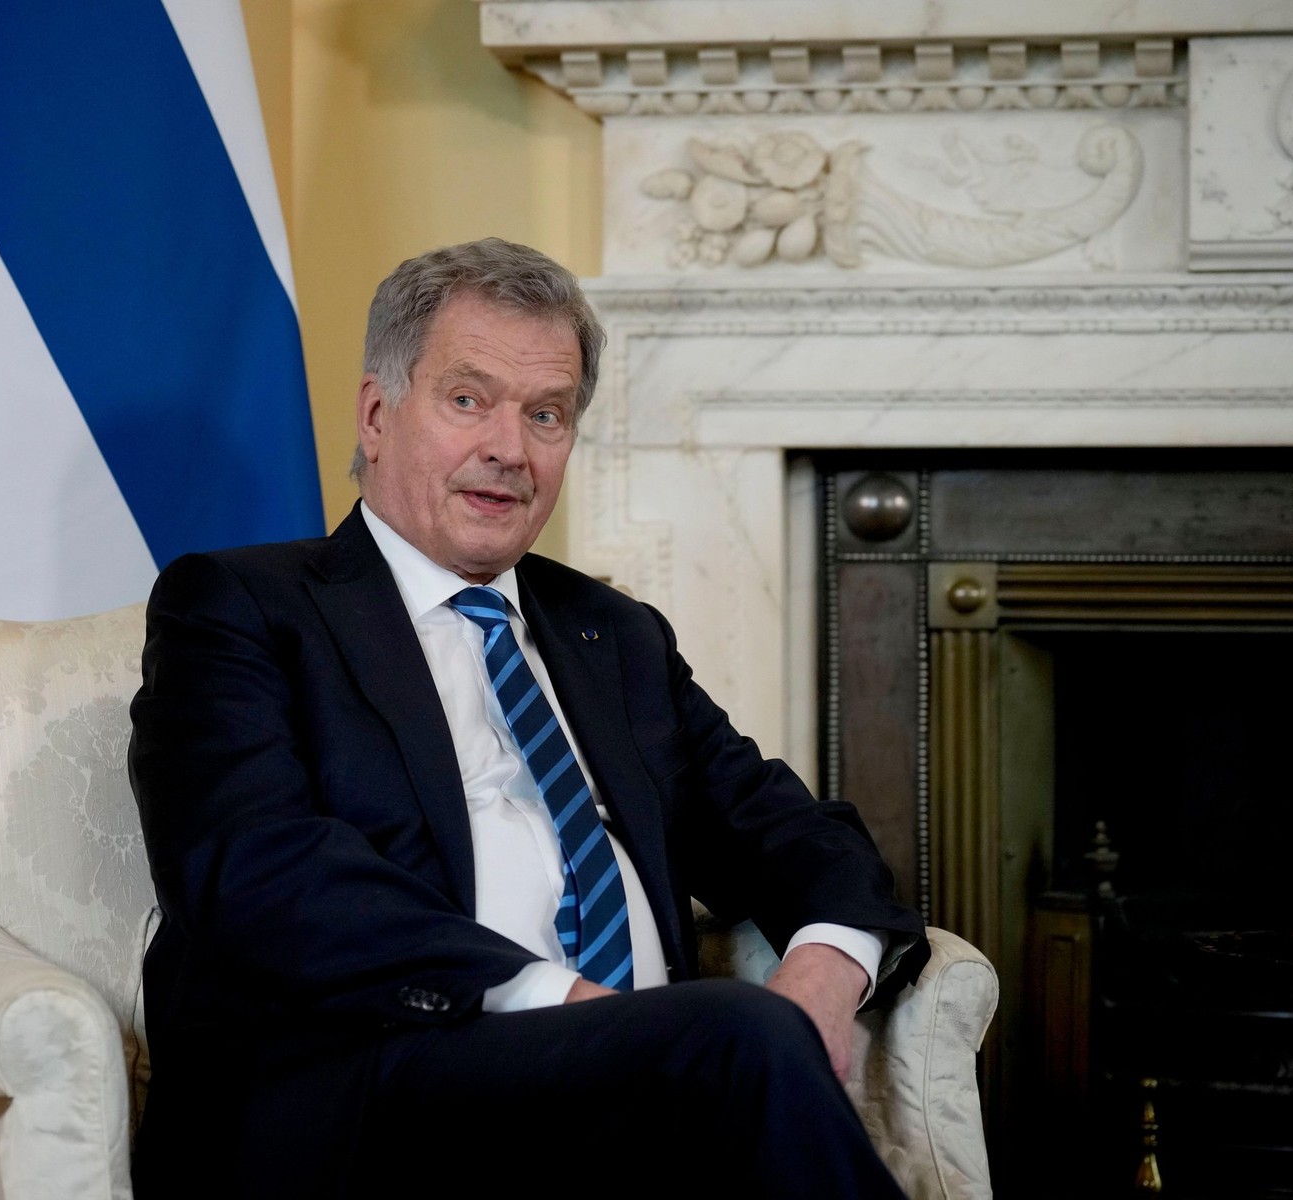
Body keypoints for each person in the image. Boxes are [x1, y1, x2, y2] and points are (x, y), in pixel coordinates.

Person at [129, 238, 928, 1197]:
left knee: (746, 1040)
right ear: (378, 415)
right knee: (736, 1041)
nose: (509, 449)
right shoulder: (240, 606)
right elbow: (254, 871)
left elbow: (788, 829)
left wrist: (824, 975)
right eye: (468, 400)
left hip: (642, 1067)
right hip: (376, 1081)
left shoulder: (612, 632)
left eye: (545, 415)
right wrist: (565, 1001)